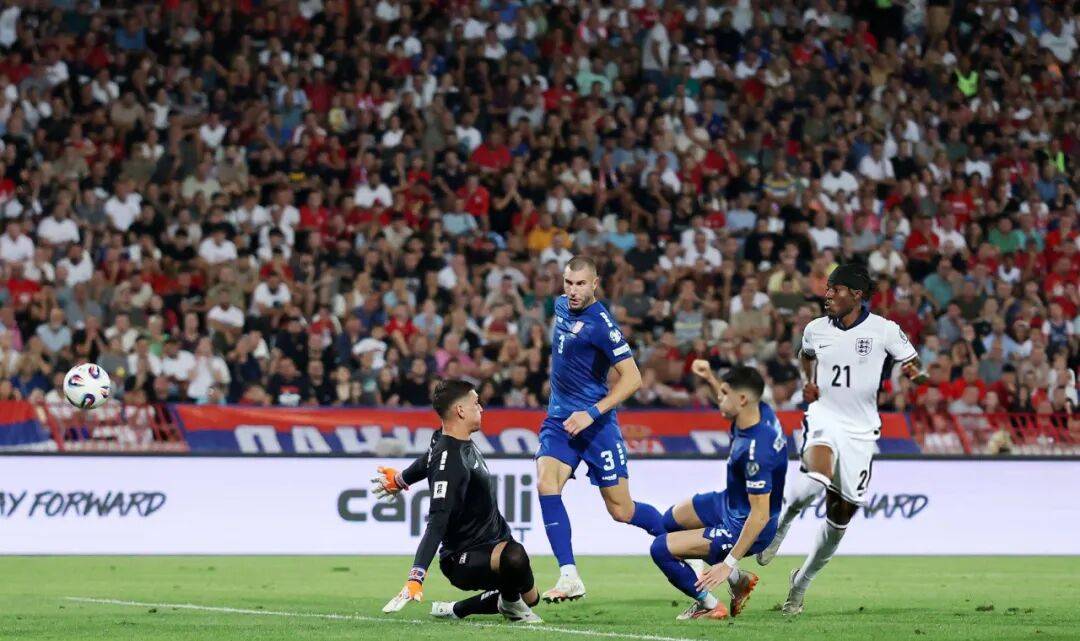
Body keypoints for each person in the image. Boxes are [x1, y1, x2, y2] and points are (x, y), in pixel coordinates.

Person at [755, 263, 927, 614]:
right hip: (824, 417)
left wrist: (915, 374)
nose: (828, 295)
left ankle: (800, 583)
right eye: (828, 289)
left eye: (836, 290)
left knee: (839, 520)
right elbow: (806, 356)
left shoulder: (884, 330)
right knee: (817, 475)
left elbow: (914, 364)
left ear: (857, 295)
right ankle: (780, 526)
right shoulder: (815, 329)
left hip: (861, 432)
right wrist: (809, 382)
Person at [538, 255, 664, 603]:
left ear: (595, 284)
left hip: (596, 425)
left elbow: (633, 379)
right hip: (560, 420)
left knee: (621, 510)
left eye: (581, 284)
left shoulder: (602, 325)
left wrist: (591, 413)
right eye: (568, 283)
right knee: (547, 483)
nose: (573, 291)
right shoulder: (561, 306)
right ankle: (569, 576)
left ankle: (683, 545)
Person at [373, 379, 542, 623]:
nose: (481, 408)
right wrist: (416, 577)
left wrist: (400, 479)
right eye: (476, 403)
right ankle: (508, 602)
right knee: (514, 557)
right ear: (460, 410)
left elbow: (427, 459)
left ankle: (458, 609)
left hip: (497, 539)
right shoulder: (451, 462)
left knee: (531, 598)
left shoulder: (443, 440)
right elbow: (437, 523)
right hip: (464, 556)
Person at [649, 364, 786, 620]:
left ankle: (709, 604)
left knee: (660, 549)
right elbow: (730, 402)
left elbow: (760, 514)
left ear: (741, 399)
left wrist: (728, 564)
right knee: (668, 522)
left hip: (745, 524)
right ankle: (739, 580)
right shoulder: (759, 412)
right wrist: (711, 379)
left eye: (724, 394)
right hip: (730, 502)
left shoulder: (756, 452)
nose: (718, 399)